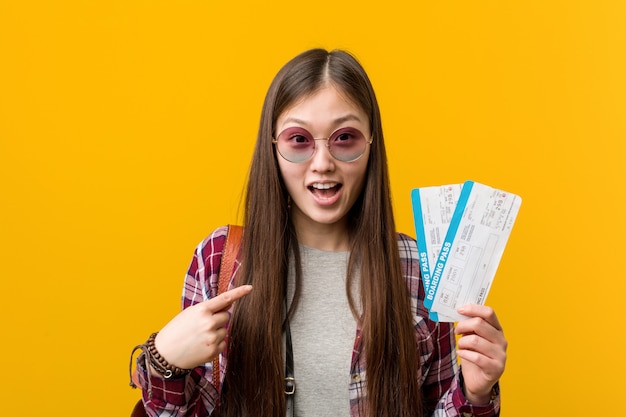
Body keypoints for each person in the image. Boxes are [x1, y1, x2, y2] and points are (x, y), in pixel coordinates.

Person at [132, 48, 507, 417]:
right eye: (299, 140)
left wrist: (474, 394)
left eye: (345, 138)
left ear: (371, 144)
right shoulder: (221, 259)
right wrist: (164, 361)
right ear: (273, 147)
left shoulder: (417, 270)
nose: (323, 163)